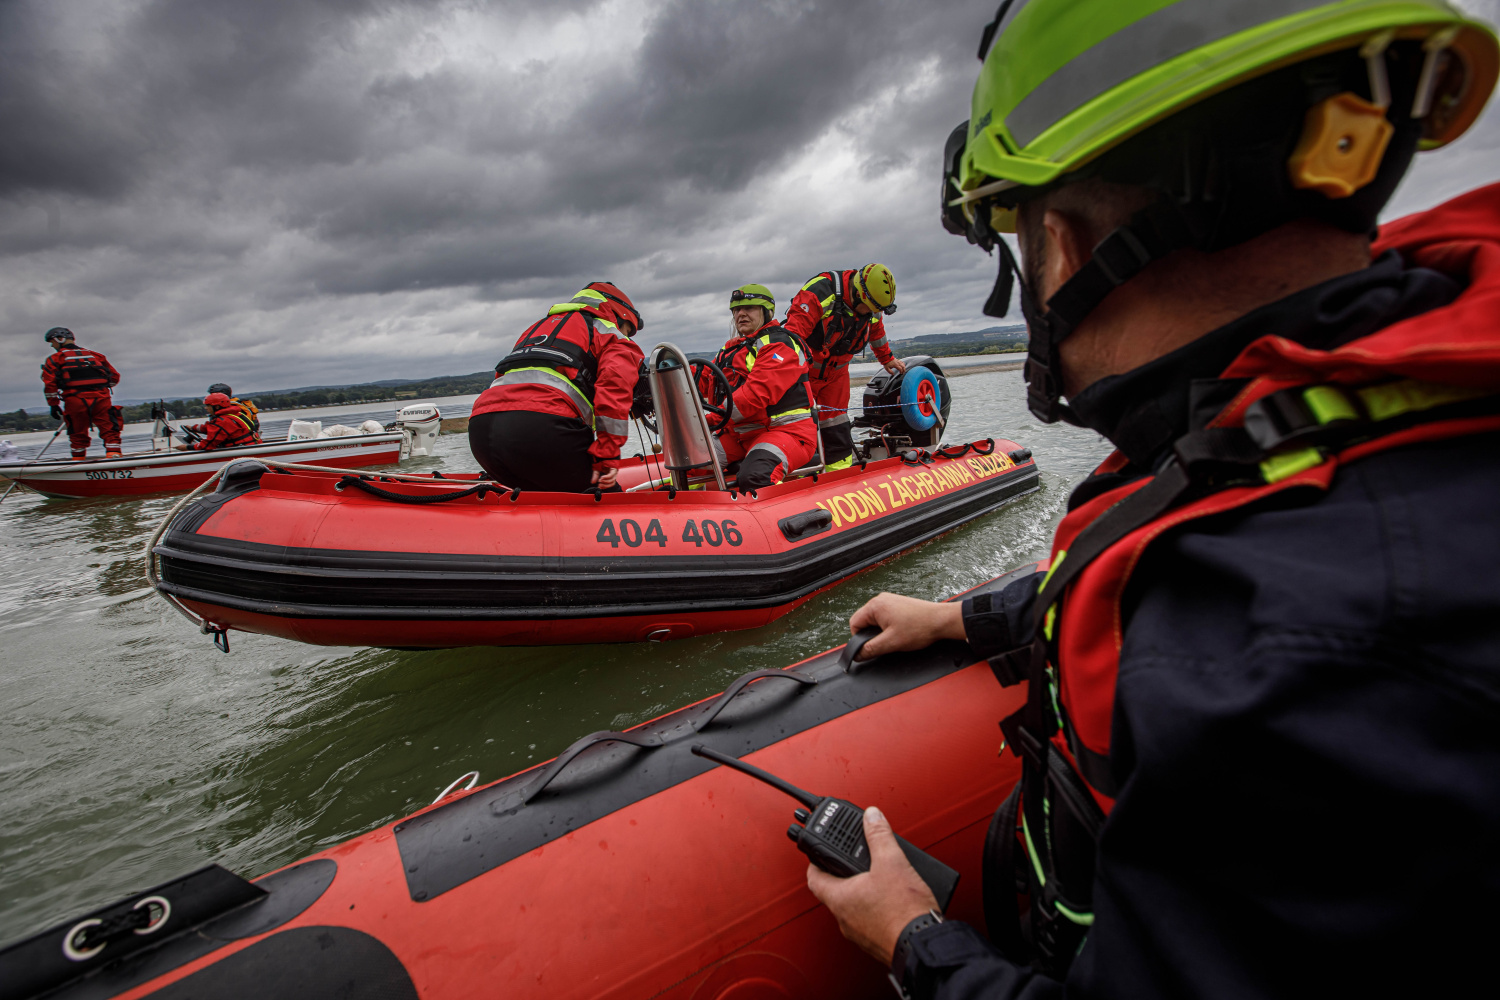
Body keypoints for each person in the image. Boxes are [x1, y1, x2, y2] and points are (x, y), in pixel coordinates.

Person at [806, 3, 1500, 998]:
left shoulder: (1277, 656)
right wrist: (966, 613)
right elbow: (1169, 545)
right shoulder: (1357, 431)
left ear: (1067, 243)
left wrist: (916, 941)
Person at [468, 282, 645, 492]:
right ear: (620, 316)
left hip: (481, 433)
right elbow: (614, 388)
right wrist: (607, 453)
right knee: (604, 495)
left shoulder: (537, 329)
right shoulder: (612, 335)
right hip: (544, 430)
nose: (625, 334)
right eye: (628, 330)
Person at [782, 264, 906, 470]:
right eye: (870, 309)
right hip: (804, 374)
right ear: (858, 294)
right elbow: (793, 335)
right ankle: (800, 478)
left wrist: (887, 358)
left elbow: (877, 332)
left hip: (837, 374)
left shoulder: (872, 307)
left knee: (836, 425)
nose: (872, 314)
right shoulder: (820, 291)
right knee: (800, 427)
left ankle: (839, 478)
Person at [707, 284, 817, 489]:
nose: (741, 314)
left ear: (766, 312)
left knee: (755, 476)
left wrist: (709, 420)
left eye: (749, 308)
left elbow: (756, 394)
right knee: (686, 461)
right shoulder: (730, 350)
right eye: (736, 310)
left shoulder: (780, 344)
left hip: (787, 432)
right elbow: (701, 380)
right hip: (740, 435)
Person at [40, 327, 122, 460]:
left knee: (77, 432)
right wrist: (99, 388)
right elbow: (114, 377)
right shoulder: (96, 356)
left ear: (59, 339)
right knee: (109, 429)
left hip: (75, 400)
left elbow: (50, 384)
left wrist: (53, 405)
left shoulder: (55, 358)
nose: (52, 345)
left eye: (52, 342)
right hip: (101, 398)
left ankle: (78, 461)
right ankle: (115, 456)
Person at [177, 390, 261, 450]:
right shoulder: (233, 414)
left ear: (216, 407)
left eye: (208, 406)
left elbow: (208, 445)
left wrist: (187, 447)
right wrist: (193, 428)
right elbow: (210, 427)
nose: (206, 408)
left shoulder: (222, 421)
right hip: (250, 447)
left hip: (242, 451)